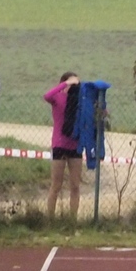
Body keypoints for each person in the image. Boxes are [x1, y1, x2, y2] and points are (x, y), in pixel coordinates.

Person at [44, 72, 82, 221]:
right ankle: (50, 219)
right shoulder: (57, 97)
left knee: (75, 186)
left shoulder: (79, 99)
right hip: (59, 144)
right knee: (56, 185)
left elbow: (100, 110)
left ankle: (73, 219)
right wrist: (65, 84)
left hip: (75, 145)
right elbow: (47, 96)